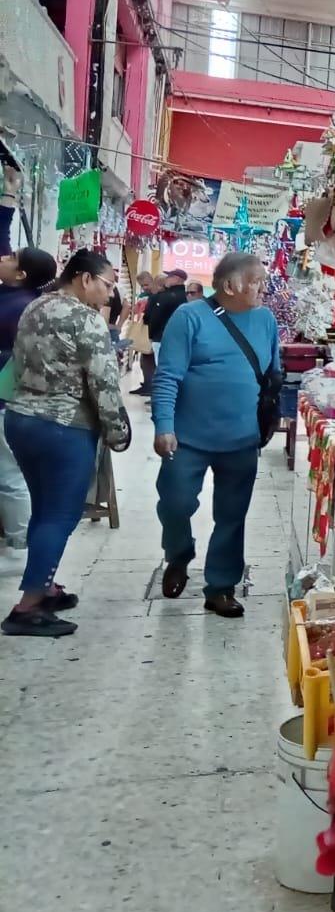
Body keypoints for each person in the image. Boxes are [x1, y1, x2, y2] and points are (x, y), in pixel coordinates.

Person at [2, 250, 130, 637]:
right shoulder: (86, 319)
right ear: (84, 278)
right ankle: (28, 607)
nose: (110, 294)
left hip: (21, 418)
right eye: (107, 284)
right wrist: (118, 432)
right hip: (64, 427)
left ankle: (45, 585)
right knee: (61, 514)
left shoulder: (33, 307)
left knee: (44, 509)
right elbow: (104, 382)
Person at [154, 252, 280, 619]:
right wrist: (164, 426)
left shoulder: (266, 319)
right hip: (187, 438)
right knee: (175, 504)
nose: (263, 287)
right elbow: (167, 376)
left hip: (241, 439)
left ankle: (221, 587)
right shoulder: (189, 317)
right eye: (256, 281)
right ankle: (178, 554)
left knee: (232, 515)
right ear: (229, 285)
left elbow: (272, 374)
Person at [0, 168, 56, 552]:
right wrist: (9, 195)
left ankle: (20, 543)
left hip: (8, 401)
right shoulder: (17, 295)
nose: (4, 257)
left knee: (9, 473)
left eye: (12, 258)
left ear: (20, 273)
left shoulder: (20, 308)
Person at [138, 269, 189, 399]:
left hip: (161, 338)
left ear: (177, 279)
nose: (167, 278)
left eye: (170, 276)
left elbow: (155, 317)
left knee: (162, 369)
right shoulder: (185, 297)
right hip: (178, 339)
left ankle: (162, 397)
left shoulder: (166, 297)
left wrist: (151, 335)